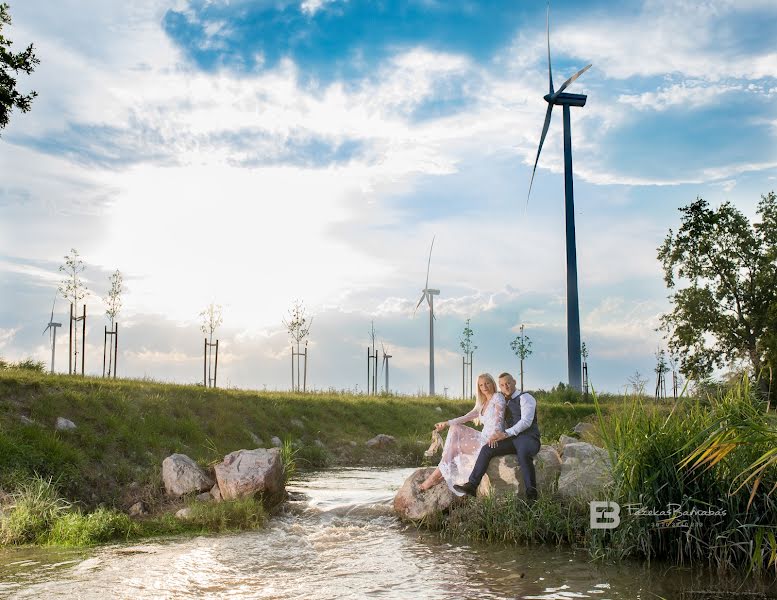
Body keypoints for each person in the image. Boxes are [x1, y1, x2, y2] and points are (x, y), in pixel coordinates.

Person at [453, 372, 541, 501]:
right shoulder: (502, 399)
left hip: (529, 438)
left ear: (514, 382)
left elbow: (526, 422)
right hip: (511, 440)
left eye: (508, 383)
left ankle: (531, 494)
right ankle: (472, 485)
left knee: (523, 453)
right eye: (502, 385)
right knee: (487, 448)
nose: (506, 386)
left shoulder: (526, 398)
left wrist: (505, 434)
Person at [418, 373, 505, 495]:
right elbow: (466, 417)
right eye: (481, 385)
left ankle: (434, 477)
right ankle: (444, 470)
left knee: (453, 447)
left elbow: (499, 419)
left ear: (492, 383)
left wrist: (495, 435)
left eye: (487, 383)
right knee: (455, 427)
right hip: (483, 436)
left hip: (491, 439)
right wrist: (446, 423)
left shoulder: (498, 397)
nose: (484, 387)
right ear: (478, 388)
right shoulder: (483, 403)